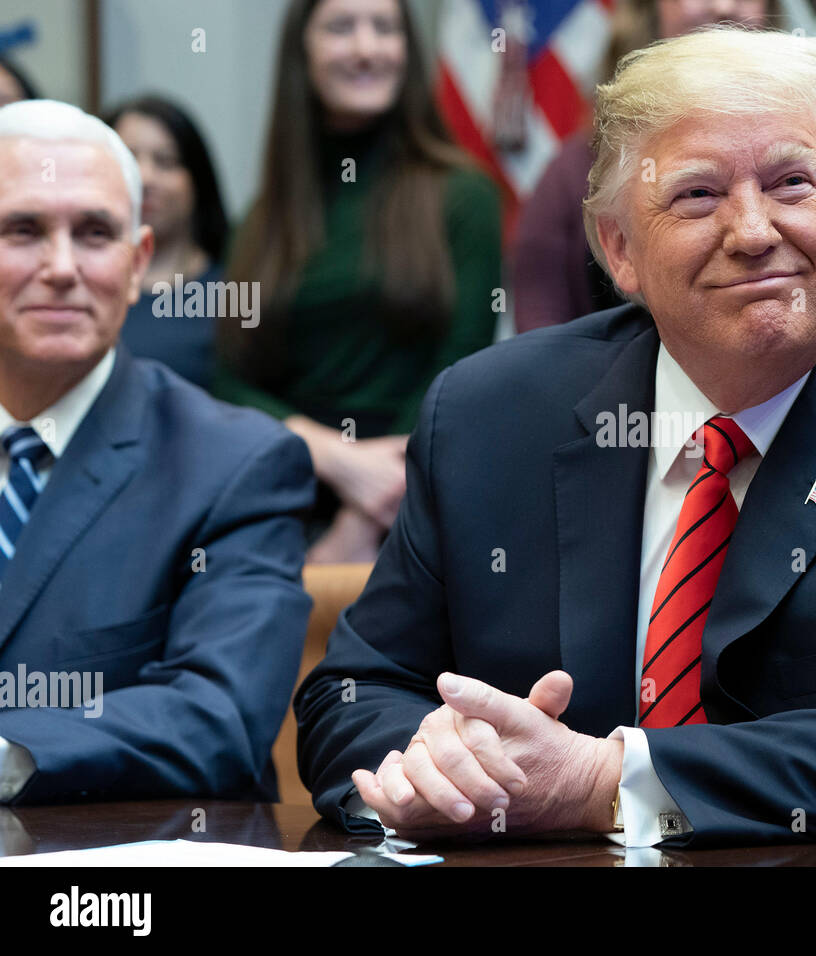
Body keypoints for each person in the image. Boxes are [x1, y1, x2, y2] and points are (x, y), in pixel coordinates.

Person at [296, 26, 816, 846]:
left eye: (792, 183)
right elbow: (354, 690)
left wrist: (612, 782)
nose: (752, 230)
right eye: (699, 194)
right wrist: (443, 768)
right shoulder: (489, 417)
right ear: (620, 250)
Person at [0, 100, 315, 804]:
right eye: (23, 230)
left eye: (94, 233)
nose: (60, 267)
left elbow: (218, 717)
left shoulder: (237, 464)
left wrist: (7, 754)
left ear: (138, 261)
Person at [215, 0, 503, 564]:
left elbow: (459, 369)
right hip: (280, 487)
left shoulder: (464, 196)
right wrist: (332, 457)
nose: (367, 47)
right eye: (342, 27)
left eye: (385, 28)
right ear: (303, 52)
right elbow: (228, 381)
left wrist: (362, 513)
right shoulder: (263, 217)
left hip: (418, 493)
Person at [511, 0, 816, 333]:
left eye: (790, 181)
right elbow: (543, 331)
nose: (722, 7)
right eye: (696, 192)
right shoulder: (580, 167)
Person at [105, 95, 229, 390]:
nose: (145, 178)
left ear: (197, 180)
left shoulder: (236, 290)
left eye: (166, 162)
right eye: (128, 159)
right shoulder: (77, 284)